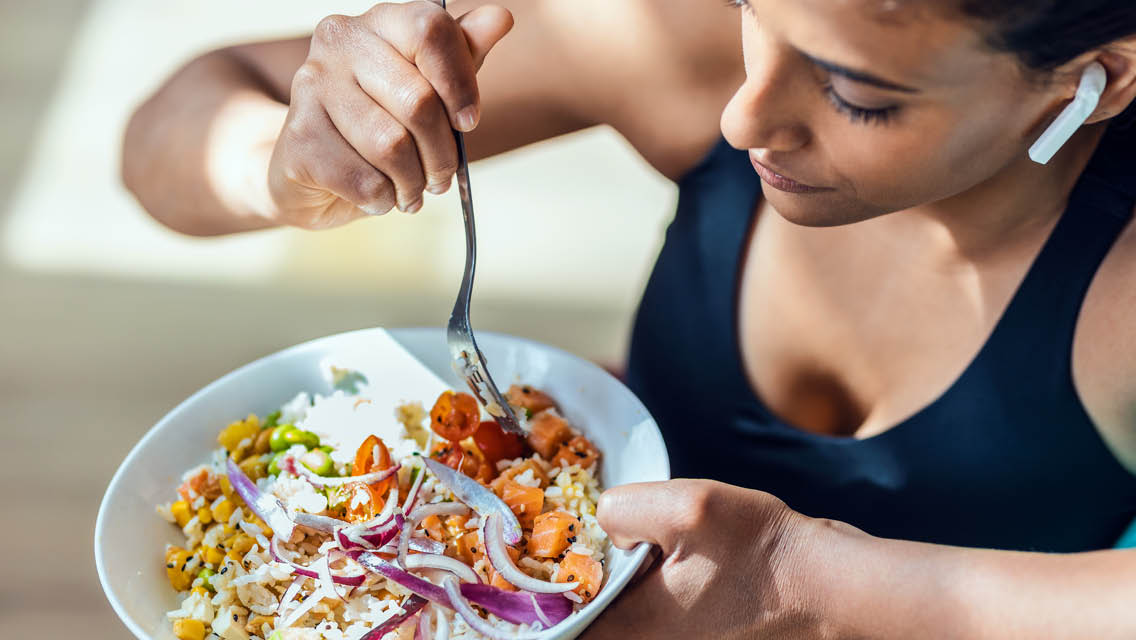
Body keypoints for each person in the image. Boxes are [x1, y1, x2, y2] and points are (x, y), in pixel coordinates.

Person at [123, 0, 1136, 636]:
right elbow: (171, 130)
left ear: (1096, 76)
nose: (744, 115)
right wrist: (298, 158)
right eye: (752, 8)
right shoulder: (687, 46)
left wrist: (810, 585)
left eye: (854, 95)